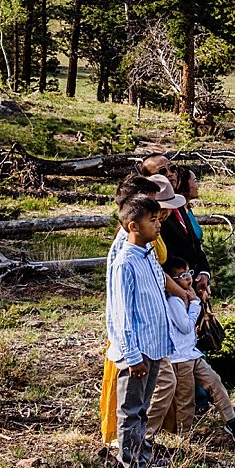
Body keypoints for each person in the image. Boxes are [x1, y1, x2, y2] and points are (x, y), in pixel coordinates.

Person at [99, 174, 191, 448]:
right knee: (134, 404)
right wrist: (131, 352)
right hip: (138, 341)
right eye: (151, 208)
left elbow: (158, 277)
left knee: (152, 393)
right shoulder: (124, 254)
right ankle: (133, 449)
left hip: (154, 337)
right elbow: (121, 309)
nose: (160, 216)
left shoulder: (146, 247)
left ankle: (142, 446)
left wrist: (182, 292)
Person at [105, 191, 172, 468]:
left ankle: (142, 462)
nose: (158, 225)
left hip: (154, 347)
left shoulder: (149, 258)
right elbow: (121, 315)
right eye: (152, 220)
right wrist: (133, 357)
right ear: (133, 225)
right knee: (130, 410)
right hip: (137, 351)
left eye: (159, 219)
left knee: (142, 409)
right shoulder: (125, 263)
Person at [149, 258, 235, 444]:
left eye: (189, 274)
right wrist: (194, 305)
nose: (189, 279)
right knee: (186, 399)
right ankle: (183, 438)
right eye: (183, 276)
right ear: (171, 280)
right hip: (179, 357)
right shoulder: (174, 301)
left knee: (215, 382)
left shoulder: (186, 297)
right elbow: (185, 326)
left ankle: (231, 420)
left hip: (192, 354)